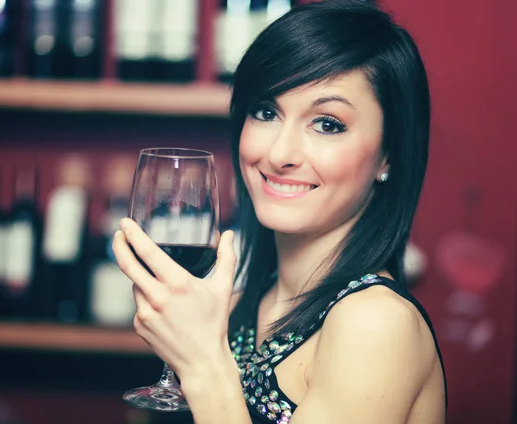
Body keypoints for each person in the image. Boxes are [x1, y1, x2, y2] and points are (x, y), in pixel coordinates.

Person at [112, 0, 447, 422]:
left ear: (388, 156)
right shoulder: (237, 309)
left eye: (327, 123)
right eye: (266, 112)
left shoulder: (374, 323)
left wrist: (202, 364)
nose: (280, 153)